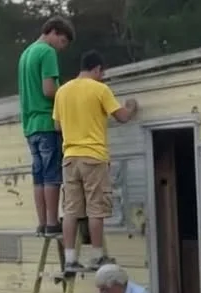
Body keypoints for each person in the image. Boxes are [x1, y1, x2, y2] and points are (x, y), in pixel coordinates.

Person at [52, 50, 139, 273]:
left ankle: (70, 260)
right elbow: (122, 117)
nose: (102, 77)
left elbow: (57, 126)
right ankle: (98, 256)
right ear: (97, 69)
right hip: (93, 156)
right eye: (102, 73)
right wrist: (131, 106)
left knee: (71, 211)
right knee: (95, 209)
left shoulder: (62, 91)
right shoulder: (100, 89)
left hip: (69, 158)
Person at [18, 16, 75, 238]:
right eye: (62, 41)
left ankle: (42, 223)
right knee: (52, 174)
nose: (62, 48)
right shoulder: (47, 52)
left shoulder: (26, 54)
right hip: (46, 122)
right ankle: (52, 223)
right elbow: (49, 90)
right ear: (53, 32)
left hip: (30, 125)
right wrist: (68, 93)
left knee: (39, 176)